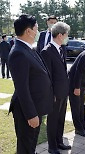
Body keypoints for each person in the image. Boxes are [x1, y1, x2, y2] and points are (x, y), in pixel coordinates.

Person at [8, 14, 54, 154]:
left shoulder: (28, 48)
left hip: (36, 107)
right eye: (36, 28)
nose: (37, 32)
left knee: (31, 146)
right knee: (26, 148)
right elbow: (22, 88)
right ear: (28, 31)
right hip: (27, 111)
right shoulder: (19, 53)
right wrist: (31, 114)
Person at [41, 22, 71, 154]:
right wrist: (50, 94)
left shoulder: (61, 49)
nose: (67, 37)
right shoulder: (47, 51)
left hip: (63, 92)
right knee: (52, 120)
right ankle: (52, 146)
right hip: (54, 94)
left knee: (61, 118)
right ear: (60, 35)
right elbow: (47, 76)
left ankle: (59, 142)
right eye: (66, 34)